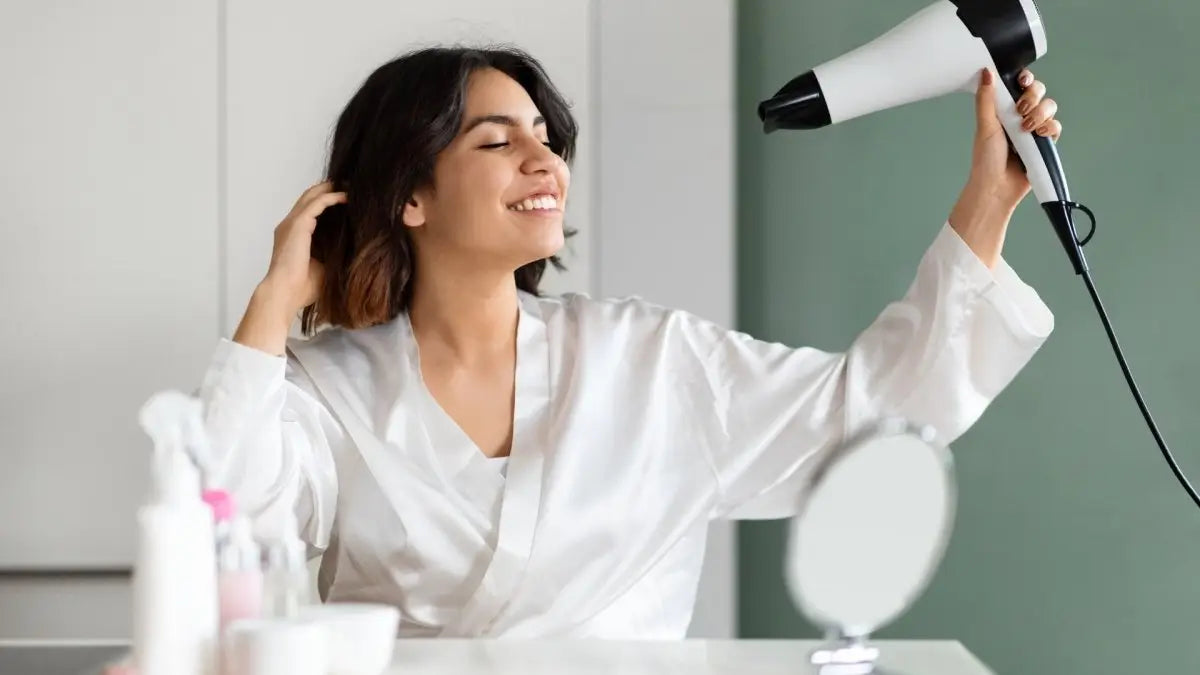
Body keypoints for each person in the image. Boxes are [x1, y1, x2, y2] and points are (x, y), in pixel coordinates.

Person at [201, 46, 1061, 638]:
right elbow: (219, 526)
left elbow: (866, 415)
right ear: (407, 196)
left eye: (547, 138)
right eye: (498, 142)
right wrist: (273, 305)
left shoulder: (648, 361)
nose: (544, 161)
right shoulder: (326, 393)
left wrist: (985, 205)